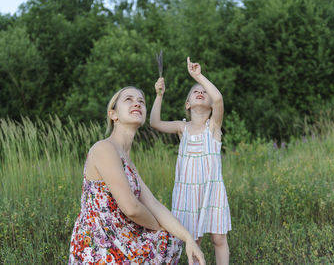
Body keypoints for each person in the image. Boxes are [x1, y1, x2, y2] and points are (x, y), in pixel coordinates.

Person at [69, 86, 205, 265]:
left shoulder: (127, 160)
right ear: (113, 114)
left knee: (174, 239)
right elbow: (131, 207)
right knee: (168, 238)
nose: (137, 103)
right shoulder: (104, 148)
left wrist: (187, 238)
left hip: (121, 239)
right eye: (129, 100)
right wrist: (160, 229)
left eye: (141, 101)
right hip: (99, 245)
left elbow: (153, 204)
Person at [150, 57, 231, 265]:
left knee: (219, 238)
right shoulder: (181, 128)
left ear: (211, 106)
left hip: (212, 191)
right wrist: (159, 95)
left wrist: (198, 76)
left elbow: (219, 99)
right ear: (188, 104)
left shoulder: (213, 127)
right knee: (192, 241)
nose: (201, 92)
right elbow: (155, 123)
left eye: (204, 92)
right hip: (187, 194)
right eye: (196, 91)